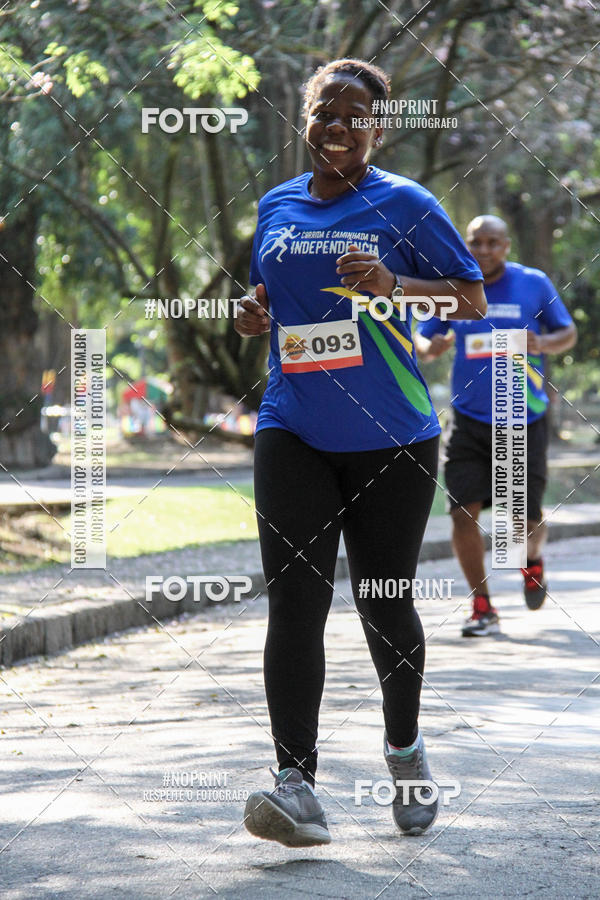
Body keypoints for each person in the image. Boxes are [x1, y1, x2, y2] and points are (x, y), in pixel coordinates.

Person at [235, 58, 486, 846]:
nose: (336, 126)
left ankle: (406, 753)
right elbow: (268, 302)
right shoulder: (275, 206)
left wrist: (392, 284)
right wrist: (250, 316)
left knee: (383, 600)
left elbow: (470, 296)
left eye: (353, 116)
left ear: (379, 128)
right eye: (322, 113)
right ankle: (295, 787)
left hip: (394, 436)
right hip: (292, 424)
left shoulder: (405, 203)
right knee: (295, 603)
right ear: (304, 120)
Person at [414, 215, 577, 638]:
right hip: (468, 419)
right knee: (461, 514)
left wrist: (544, 343)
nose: (483, 250)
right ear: (464, 246)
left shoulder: (533, 283)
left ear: (506, 246)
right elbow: (424, 340)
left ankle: (530, 560)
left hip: (522, 418)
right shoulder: (453, 288)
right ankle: (482, 605)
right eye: (475, 242)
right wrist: (433, 345)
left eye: (492, 242)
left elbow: (568, 332)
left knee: (522, 521)